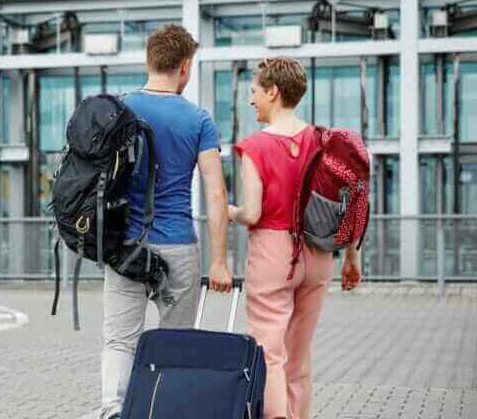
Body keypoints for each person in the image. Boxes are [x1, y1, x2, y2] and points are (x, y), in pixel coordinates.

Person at [100, 24, 232, 419]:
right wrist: (219, 261)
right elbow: (216, 194)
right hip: (178, 244)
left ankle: (113, 411)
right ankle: (169, 410)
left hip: (125, 246)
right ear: (185, 67)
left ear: (149, 60)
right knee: (176, 341)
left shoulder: (118, 111)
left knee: (120, 341)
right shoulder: (198, 120)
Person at [228, 57, 363, 419]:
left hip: (273, 252)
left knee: (269, 352)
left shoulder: (253, 147)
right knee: (299, 355)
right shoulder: (322, 140)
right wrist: (352, 257)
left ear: (273, 92)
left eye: (254, 91)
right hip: (319, 254)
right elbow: (348, 199)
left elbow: (253, 213)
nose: (251, 99)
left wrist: (229, 211)